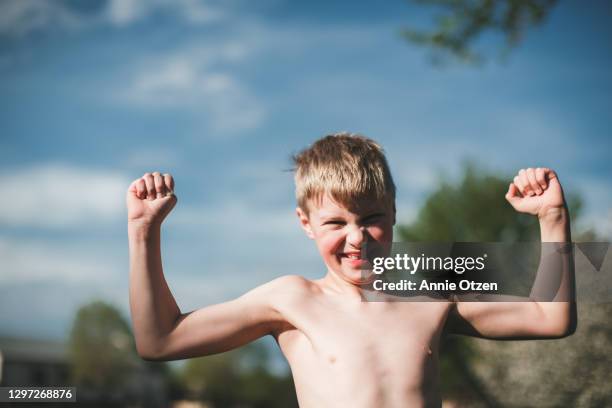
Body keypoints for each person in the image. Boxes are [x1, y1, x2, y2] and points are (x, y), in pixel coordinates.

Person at [126, 132, 576, 407]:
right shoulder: (291, 300)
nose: (357, 238)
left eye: (372, 219)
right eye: (336, 224)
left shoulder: (433, 296)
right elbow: (159, 340)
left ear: (394, 212)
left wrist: (552, 219)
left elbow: (550, 317)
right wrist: (145, 230)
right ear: (306, 224)